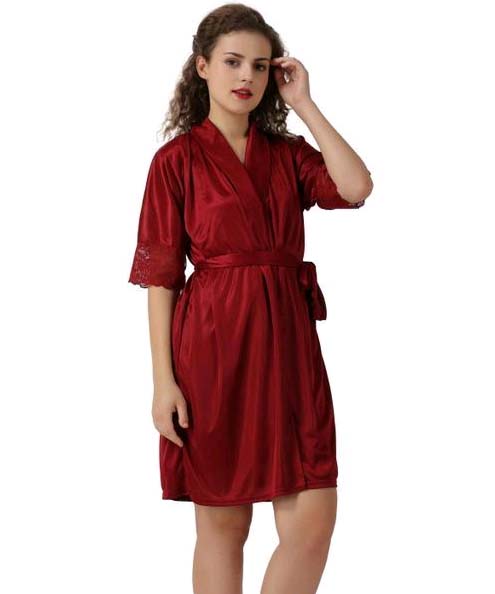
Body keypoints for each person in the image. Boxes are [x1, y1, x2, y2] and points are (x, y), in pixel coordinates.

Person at [128, 4, 373, 593]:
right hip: (214, 349)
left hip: (289, 346)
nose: (247, 76)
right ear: (202, 67)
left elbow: (356, 186)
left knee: (312, 522)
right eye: (233, 62)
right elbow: (161, 277)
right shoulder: (175, 162)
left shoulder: (286, 153)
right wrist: (163, 383)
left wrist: (304, 104)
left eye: (260, 66)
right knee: (223, 524)